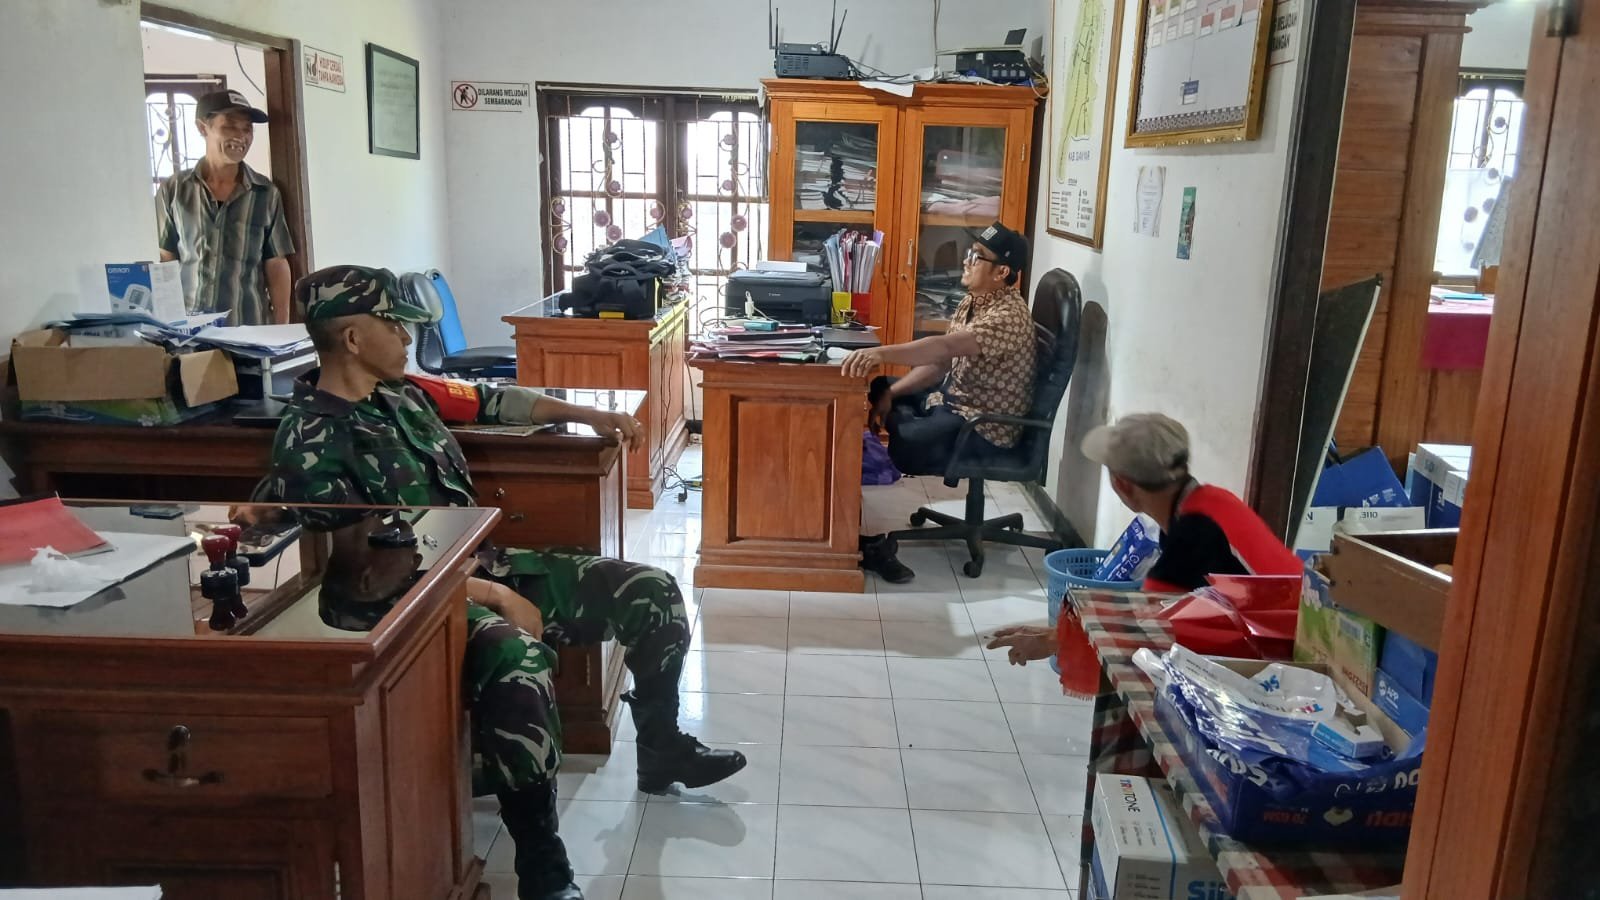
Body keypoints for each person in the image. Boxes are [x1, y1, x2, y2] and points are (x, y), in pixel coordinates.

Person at [253, 265, 746, 900]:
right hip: (399, 610)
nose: (407, 338)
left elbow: (492, 400)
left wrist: (587, 412)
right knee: (519, 660)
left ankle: (662, 749)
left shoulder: (403, 393)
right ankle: (543, 866)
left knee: (651, 593)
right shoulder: (314, 439)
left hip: (475, 572)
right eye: (395, 326)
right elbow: (370, 570)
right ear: (352, 338)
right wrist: (492, 595)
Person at [986, 413, 1304, 664]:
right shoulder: (1208, 502)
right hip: (1293, 631)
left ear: (1122, 484)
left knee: (1139, 662)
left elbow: (1146, 626)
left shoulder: (1194, 532)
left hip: (1295, 653)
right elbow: (1154, 611)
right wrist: (1057, 633)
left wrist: (1053, 640)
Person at [839, 221, 1038, 583]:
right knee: (882, 387)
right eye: (970, 254)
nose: (966, 261)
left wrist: (880, 352)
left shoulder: (1007, 317)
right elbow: (942, 363)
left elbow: (943, 347)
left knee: (910, 439)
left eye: (976, 257)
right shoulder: (974, 301)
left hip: (983, 425)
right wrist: (892, 394)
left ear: (1001, 272)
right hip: (955, 399)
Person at [155, 89, 294, 325]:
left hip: (248, 326)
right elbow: (166, 258)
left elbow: (276, 262)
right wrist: (165, 322)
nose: (241, 136)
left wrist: (282, 325)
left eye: (247, 129)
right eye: (229, 126)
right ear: (203, 128)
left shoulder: (265, 193)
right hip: (190, 330)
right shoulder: (175, 190)